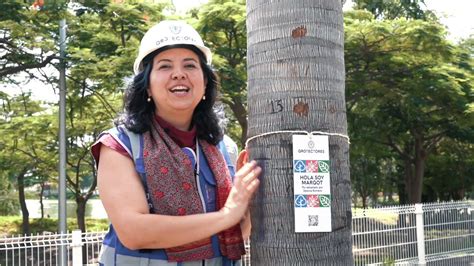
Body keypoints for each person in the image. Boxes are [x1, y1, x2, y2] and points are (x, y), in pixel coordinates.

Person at [91, 20, 261, 265]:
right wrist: (227, 215)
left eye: (190, 65)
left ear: (205, 83)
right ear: (146, 86)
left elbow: (236, 232)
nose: (178, 73)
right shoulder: (120, 145)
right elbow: (134, 232)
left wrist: (248, 201)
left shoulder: (225, 148)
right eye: (165, 66)